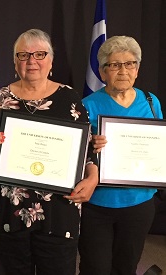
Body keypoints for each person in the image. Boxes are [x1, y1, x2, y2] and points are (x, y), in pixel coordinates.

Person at [0, 28, 99, 275]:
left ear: (51, 61)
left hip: (60, 211)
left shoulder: (70, 98)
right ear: (15, 62)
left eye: (39, 54)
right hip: (9, 214)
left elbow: (87, 148)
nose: (31, 61)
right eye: (23, 55)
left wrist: (93, 177)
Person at [79, 36, 163, 275]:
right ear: (103, 72)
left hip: (140, 202)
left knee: (126, 266)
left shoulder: (151, 101)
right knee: (95, 268)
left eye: (130, 64)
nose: (123, 70)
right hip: (98, 204)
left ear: (137, 69)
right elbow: (75, 153)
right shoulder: (86, 105)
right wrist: (90, 147)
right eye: (114, 65)